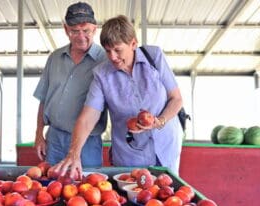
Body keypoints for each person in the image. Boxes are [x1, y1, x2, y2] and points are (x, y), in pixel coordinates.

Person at [53, 15, 184, 178]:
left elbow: (176, 99)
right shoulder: (102, 74)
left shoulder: (154, 57)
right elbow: (88, 117)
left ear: (133, 44)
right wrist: (74, 153)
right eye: (108, 51)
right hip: (130, 155)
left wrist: (160, 121)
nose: (112, 57)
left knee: (165, 195)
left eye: (118, 50)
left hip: (165, 148)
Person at [33, 2, 107, 167]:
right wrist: (39, 134)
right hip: (54, 139)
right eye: (74, 31)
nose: (81, 37)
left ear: (94, 29)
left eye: (86, 31)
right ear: (66, 29)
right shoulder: (54, 58)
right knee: (51, 188)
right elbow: (44, 98)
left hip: (87, 143)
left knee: (87, 188)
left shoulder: (105, 61)